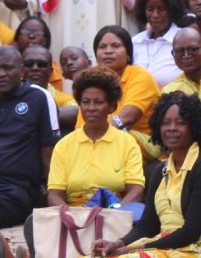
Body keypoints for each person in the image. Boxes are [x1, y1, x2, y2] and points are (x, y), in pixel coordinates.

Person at [0, 92, 201, 258]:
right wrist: (116, 243)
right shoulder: (161, 169)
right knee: (103, 256)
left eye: (180, 123)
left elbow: (191, 231)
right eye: (165, 123)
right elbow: (147, 226)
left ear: (195, 127)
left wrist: (133, 249)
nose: (171, 129)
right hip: (170, 244)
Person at [0, 46, 60, 228]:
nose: (0, 74)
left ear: (22, 71)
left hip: (17, 188)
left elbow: (49, 153)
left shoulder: (39, 97)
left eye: (7, 68)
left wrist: (49, 194)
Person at [43, 67, 143, 208]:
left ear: (111, 107)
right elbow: (54, 195)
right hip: (74, 219)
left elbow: (136, 190)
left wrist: (114, 212)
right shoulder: (64, 145)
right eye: (85, 101)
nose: (91, 108)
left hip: (115, 215)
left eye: (98, 102)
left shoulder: (127, 142)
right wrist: (72, 217)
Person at [92, 25, 160, 142]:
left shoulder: (140, 76)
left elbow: (126, 119)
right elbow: (81, 125)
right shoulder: (92, 81)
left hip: (140, 144)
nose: (108, 51)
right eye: (102, 47)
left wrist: (94, 140)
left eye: (115, 46)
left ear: (128, 54)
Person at [131, 0, 183, 88]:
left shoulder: (182, 41)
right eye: (150, 9)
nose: (155, 15)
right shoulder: (134, 42)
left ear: (171, 9)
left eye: (161, 8)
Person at [21, 44, 77, 131]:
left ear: (50, 71)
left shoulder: (62, 98)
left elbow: (75, 112)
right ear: (21, 69)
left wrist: (24, 114)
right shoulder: (10, 92)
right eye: (29, 64)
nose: (35, 68)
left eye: (41, 64)